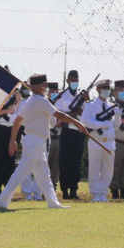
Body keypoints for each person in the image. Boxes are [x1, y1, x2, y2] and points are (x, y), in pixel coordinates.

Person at [0, 74, 86, 210]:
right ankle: (2, 200)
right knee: (21, 171)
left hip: (36, 140)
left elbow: (18, 121)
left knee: (44, 174)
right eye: (44, 85)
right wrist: (77, 122)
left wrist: (13, 140)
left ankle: (53, 202)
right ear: (38, 87)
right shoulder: (40, 101)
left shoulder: (31, 101)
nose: (46, 87)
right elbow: (59, 115)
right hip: (36, 140)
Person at [80, 79, 120, 202]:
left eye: (108, 89)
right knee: (94, 168)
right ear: (98, 90)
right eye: (104, 88)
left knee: (108, 169)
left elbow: (116, 126)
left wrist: (118, 115)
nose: (106, 91)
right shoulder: (90, 105)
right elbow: (85, 121)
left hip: (109, 141)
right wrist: (100, 124)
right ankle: (95, 194)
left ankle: (103, 193)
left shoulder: (112, 105)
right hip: (96, 140)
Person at [56, 70, 89, 200]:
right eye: (72, 79)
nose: (75, 82)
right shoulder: (62, 97)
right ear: (67, 81)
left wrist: (86, 102)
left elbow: (87, 115)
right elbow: (59, 116)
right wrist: (75, 112)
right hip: (67, 131)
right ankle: (65, 191)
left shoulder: (83, 98)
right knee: (65, 162)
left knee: (76, 162)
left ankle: (74, 190)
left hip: (79, 132)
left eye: (76, 79)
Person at [0, 85, 23, 198]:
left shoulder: (17, 95)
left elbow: (21, 112)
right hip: (0, 128)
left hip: (13, 129)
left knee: (11, 158)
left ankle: (8, 187)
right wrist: (6, 110)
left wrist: (19, 100)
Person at [46, 82, 62, 190]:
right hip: (48, 137)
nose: (54, 93)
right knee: (45, 164)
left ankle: (54, 188)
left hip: (59, 137)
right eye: (52, 91)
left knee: (56, 166)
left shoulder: (61, 104)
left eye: (56, 92)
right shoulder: (45, 103)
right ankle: (44, 188)